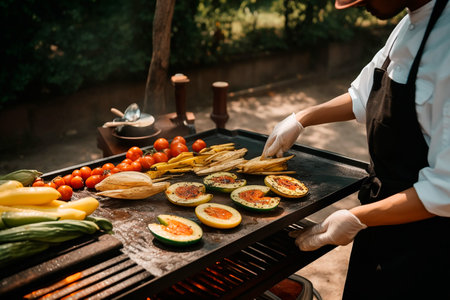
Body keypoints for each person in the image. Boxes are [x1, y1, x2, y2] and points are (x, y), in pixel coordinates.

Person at [262, 0, 450, 299]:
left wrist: (357, 217)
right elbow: (363, 94)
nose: (359, 4)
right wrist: (302, 118)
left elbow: (445, 189)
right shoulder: (409, 23)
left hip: (427, 248)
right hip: (379, 225)